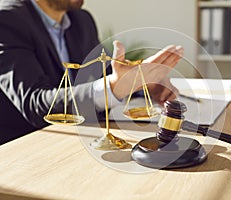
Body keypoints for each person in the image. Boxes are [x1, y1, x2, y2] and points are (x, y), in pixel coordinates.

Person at [0, 0, 184, 144]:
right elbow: (34, 102)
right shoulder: (6, 20)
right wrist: (114, 87)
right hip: (26, 147)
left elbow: (107, 71)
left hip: (75, 136)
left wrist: (144, 83)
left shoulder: (81, 20)